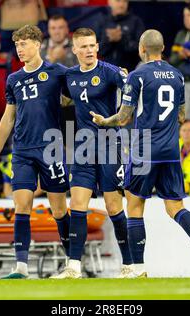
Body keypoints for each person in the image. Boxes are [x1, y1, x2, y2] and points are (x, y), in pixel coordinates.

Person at [90, 29, 190, 278]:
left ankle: (138, 269)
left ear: (141, 49)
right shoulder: (177, 76)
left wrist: (104, 121)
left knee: (135, 205)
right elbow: (181, 116)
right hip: (171, 149)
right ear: (163, 48)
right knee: (175, 207)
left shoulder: (137, 76)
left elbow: (124, 117)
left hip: (145, 148)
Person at [0, 25, 70, 279]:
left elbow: (78, 92)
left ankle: (72, 262)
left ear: (37, 44)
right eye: (17, 45)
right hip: (22, 149)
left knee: (58, 210)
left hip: (51, 149)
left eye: (24, 44)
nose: (20, 49)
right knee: (22, 204)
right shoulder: (14, 79)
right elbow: (8, 117)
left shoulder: (57, 72)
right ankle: (21, 267)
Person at [51, 28, 134, 279]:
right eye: (83, 47)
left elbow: (132, 92)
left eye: (91, 46)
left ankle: (130, 265)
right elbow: (64, 98)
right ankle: (74, 266)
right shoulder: (70, 76)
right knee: (77, 204)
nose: (88, 50)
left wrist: (118, 121)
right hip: (83, 147)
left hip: (109, 144)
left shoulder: (110, 72)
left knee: (113, 206)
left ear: (97, 47)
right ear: (74, 50)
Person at [94, 0, 145, 72]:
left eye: (125, 1)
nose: (121, 4)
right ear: (109, 2)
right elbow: (96, 50)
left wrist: (122, 39)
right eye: (118, 1)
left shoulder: (136, 22)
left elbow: (141, 49)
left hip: (131, 72)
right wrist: (108, 40)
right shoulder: (102, 22)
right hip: (106, 73)